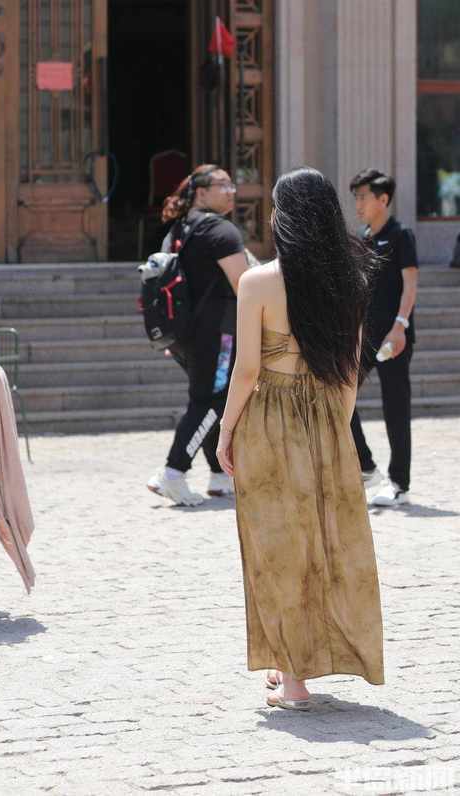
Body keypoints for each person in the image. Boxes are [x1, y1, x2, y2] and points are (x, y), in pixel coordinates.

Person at [217, 167, 385, 710]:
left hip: (268, 416)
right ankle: (288, 656)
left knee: (276, 545)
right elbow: (349, 371)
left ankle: (294, 680)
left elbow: (246, 370)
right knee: (321, 541)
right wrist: (336, 427)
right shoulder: (350, 282)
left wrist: (225, 429)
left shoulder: (258, 282)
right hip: (326, 416)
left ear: (282, 216)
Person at [146, 164, 249, 506]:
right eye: (224, 185)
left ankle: (219, 476)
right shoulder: (221, 231)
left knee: (208, 398)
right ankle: (173, 472)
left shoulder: (177, 230)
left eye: (232, 185)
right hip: (220, 333)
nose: (232, 191)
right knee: (213, 401)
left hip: (183, 336)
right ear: (202, 192)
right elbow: (245, 287)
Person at [349, 169, 419, 506]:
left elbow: (410, 285)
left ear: (383, 199)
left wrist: (400, 326)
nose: (358, 204)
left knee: (395, 408)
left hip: (394, 338)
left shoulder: (400, 235)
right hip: (365, 336)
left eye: (363, 197)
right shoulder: (363, 238)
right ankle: (365, 465)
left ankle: (399, 483)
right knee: (340, 392)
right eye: (356, 197)